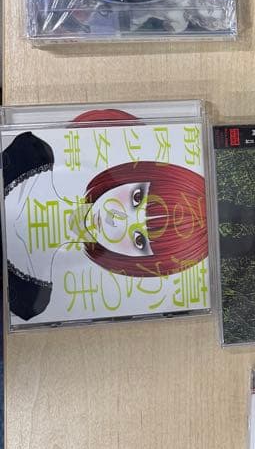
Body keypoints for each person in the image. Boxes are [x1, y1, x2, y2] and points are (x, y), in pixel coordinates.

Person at [2, 113, 208, 321]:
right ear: (131, 177)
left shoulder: (30, 300)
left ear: (136, 263)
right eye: (136, 198)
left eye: (139, 240)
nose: (116, 220)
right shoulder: (31, 154)